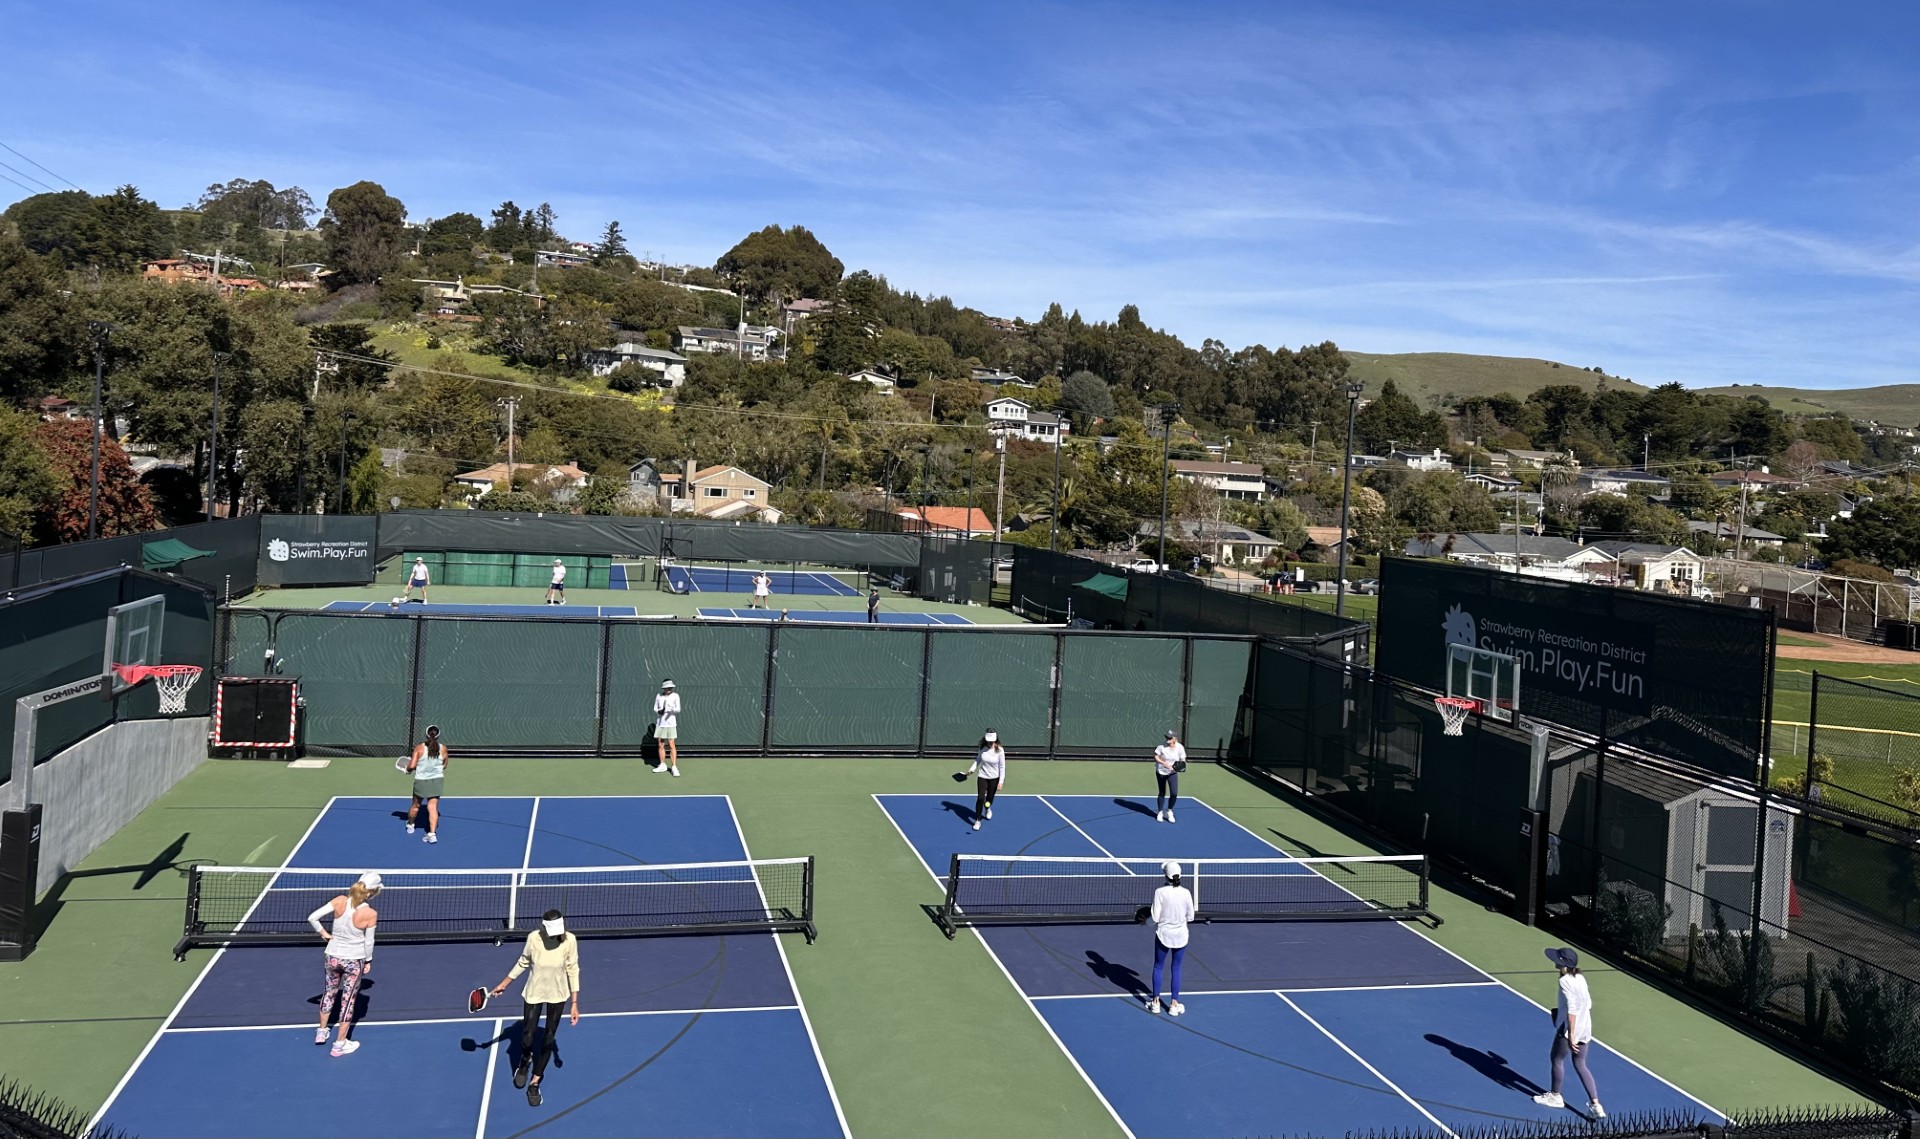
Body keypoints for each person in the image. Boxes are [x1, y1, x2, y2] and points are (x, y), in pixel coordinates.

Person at [490, 908, 581, 1108]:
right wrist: (505, 983)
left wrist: (574, 1003)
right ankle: (524, 1062)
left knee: (548, 1039)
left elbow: (573, 969)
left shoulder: (569, 941)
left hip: (558, 995)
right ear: (544, 927)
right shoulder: (534, 938)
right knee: (527, 1037)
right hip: (534, 992)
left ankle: (535, 1081)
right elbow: (523, 962)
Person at [307, 871, 382, 1057]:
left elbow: (312, 918)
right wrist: (368, 960)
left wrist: (324, 934)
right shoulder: (370, 913)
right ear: (372, 892)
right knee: (347, 1002)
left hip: (332, 956)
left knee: (329, 992)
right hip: (353, 960)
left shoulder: (339, 900)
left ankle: (322, 1032)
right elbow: (369, 942)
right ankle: (340, 1044)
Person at [1533, 947, 1603, 1117]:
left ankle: (1555, 1097)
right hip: (1585, 1028)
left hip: (1570, 1029)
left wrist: (1571, 1035)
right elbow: (1587, 1003)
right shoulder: (1580, 978)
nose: (1554, 961)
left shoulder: (1564, 981)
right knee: (1580, 1064)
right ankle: (1596, 1105)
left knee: (1556, 1059)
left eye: (1557, 959)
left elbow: (1572, 1009)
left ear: (1562, 963)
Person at [1146, 861, 1194, 1016]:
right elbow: (1191, 917)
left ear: (1165, 876)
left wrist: (1146, 922)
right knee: (1176, 968)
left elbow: (1154, 917)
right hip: (1181, 936)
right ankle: (1174, 1004)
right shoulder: (1186, 893)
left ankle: (1155, 1003)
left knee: (1158, 966)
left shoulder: (1160, 892)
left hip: (1163, 935)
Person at [405, 725, 449, 843]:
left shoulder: (419, 748)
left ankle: (410, 825)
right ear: (438, 736)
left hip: (421, 781)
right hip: (436, 780)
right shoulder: (443, 748)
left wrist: (407, 770)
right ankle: (432, 834)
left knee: (415, 805)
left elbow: (412, 766)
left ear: (426, 735)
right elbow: (444, 765)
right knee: (433, 807)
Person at [965, 730, 1006, 831]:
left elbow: (1002, 767)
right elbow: (978, 759)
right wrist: (972, 769)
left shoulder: (1000, 750)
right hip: (982, 776)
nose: (990, 743)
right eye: (989, 741)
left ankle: (987, 808)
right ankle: (978, 820)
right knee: (980, 798)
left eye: (992, 741)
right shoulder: (982, 748)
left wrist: (1001, 782)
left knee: (989, 799)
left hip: (994, 778)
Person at [1153, 729, 1186, 823]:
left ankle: (1169, 811)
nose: (1167, 739)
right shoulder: (1161, 746)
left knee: (1174, 793)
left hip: (1172, 772)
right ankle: (1160, 812)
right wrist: (1164, 763)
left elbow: (1183, 760)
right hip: (1161, 771)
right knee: (1162, 792)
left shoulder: (1180, 748)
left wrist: (1176, 767)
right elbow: (1156, 756)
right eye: (1167, 737)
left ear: (1175, 739)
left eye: (1170, 737)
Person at [651, 679, 681, 776]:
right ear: (664, 688)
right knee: (661, 745)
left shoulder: (675, 696)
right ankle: (662, 765)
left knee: (672, 745)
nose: (669, 689)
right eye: (667, 688)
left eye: (670, 688)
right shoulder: (658, 696)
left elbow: (678, 709)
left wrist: (671, 709)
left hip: (671, 724)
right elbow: (655, 708)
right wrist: (659, 711)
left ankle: (674, 767)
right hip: (661, 724)